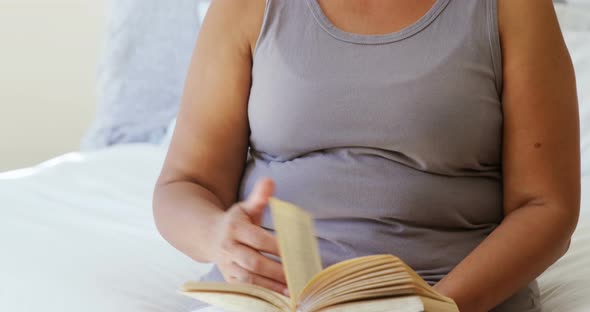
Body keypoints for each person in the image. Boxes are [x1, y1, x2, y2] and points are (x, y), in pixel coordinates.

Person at [152, 0, 581, 311]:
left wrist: (438, 307)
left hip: (454, 296)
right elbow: (184, 184)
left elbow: (545, 206)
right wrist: (215, 236)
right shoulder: (245, 7)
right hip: (276, 297)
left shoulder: (513, 8)